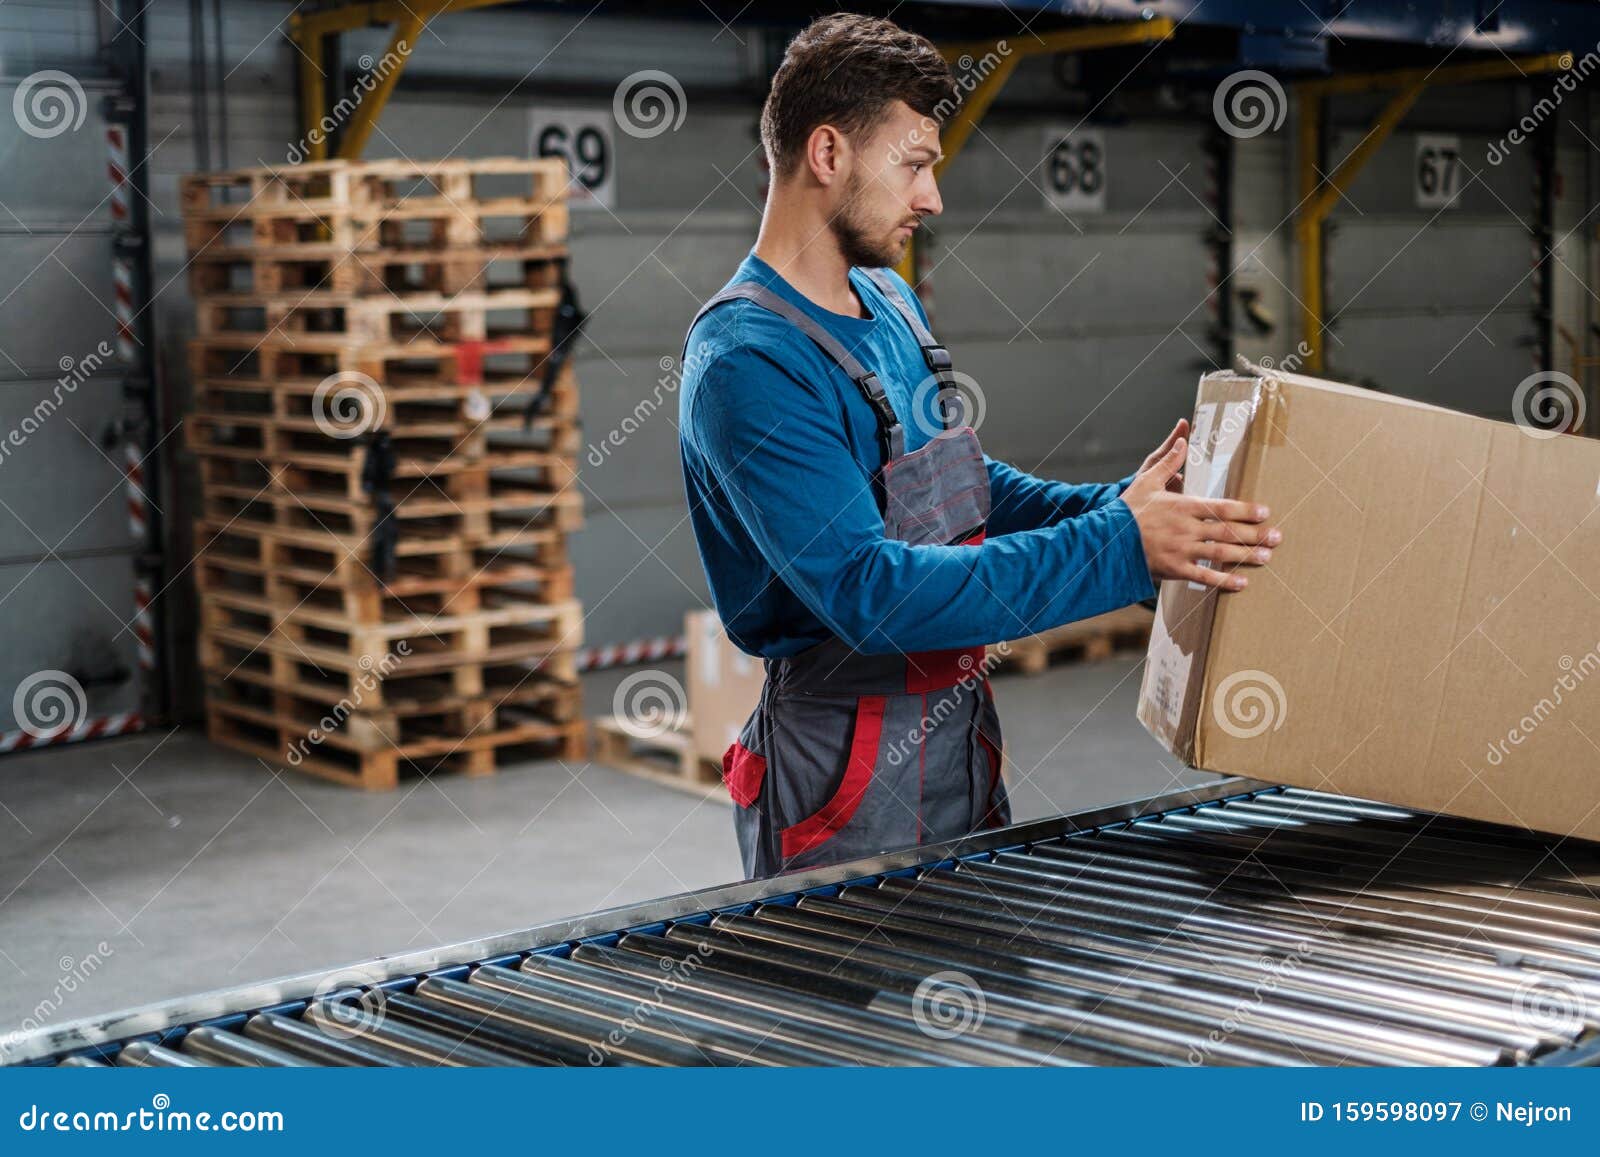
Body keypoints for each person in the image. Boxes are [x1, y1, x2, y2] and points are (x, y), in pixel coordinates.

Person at [678, 13, 1280, 878]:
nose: (933, 198)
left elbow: (962, 486)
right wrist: (1117, 547)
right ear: (828, 154)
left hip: (957, 734)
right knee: (853, 1003)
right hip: (838, 766)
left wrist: (1127, 510)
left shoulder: (888, 302)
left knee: (973, 978)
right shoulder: (748, 361)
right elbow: (867, 590)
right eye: (915, 165)